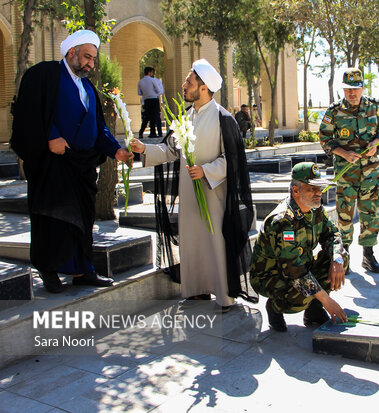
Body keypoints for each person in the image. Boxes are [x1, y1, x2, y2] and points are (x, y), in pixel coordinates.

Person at [10, 29, 133, 293]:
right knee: (53, 218)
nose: (90, 63)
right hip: (53, 165)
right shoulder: (45, 75)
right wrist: (50, 137)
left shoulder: (88, 87)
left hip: (82, 166)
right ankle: (49, 269)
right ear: (71, 53)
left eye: (93, 59)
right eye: (87, 57)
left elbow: (98, 127)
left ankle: (82, 270)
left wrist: (117, 151)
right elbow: (29, 111)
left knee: (82, 220)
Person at [130, 59, 255, 311]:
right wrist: (145, 149)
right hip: (189, 194)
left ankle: (223, 294)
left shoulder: (224, 119)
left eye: (189, 82)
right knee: (193, 241)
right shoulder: (184, 117)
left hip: (214, 195)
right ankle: (197, 290)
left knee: (215, 241)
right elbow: (171, 150)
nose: (184, 86)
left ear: (204, 87)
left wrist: (206, 171)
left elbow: (233, 160)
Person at [250, 162, 349, 332]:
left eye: (320, 188)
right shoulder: (282, 221)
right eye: (312, 188)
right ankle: (274, 307)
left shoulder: (314, 209)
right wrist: (327, 301)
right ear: (296, 191)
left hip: (301, 266)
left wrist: (337, 260)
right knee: (302, 295)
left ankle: (314, 313)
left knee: (340, 257)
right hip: (271, 276)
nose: (319, 193)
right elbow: (293, 270)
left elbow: (333, 235)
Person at [318, 68, 379, 274]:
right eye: (348, 89)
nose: (352, 94)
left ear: (362, 88)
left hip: (370, 173)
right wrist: (343, 153)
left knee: (370, 213)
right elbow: (324, 139)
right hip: (346, 172)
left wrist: (376, 143)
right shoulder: (334, 111)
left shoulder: (374, 108)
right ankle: (344, 255)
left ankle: (368, 255)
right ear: (344, 89)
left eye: (356, 89)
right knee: (345, 214)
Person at [137, 66, 164, 138]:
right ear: (149, 72)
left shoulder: (140, 82)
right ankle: (157, 133)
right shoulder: (152, 80)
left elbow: (139, 93)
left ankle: (142, 132)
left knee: (146, 117)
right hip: (154, 99)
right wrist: (154, 93)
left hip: (146, 100)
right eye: (152, 72)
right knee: (156, 116)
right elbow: (159, 90)